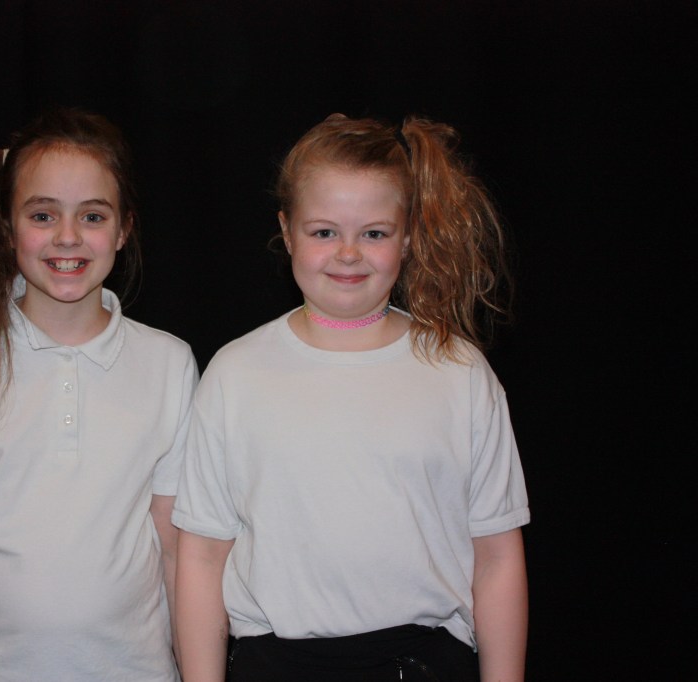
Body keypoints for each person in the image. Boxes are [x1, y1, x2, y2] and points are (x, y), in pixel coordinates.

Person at [173, 113, 529, 682]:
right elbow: (201, 556)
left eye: (374, 233)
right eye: (323, 232)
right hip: (276, 662)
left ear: (407, 237)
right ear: (287, 231)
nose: (347, 253)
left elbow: (497, 556)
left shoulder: (459, 372)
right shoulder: (235, 373)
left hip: (422, 661)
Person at [0, 107, 198, 681]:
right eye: (43, 215)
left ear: (123, 229)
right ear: (7, 227)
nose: (68, 237)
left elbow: (176, 552)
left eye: (92, 216)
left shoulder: (168, 364)